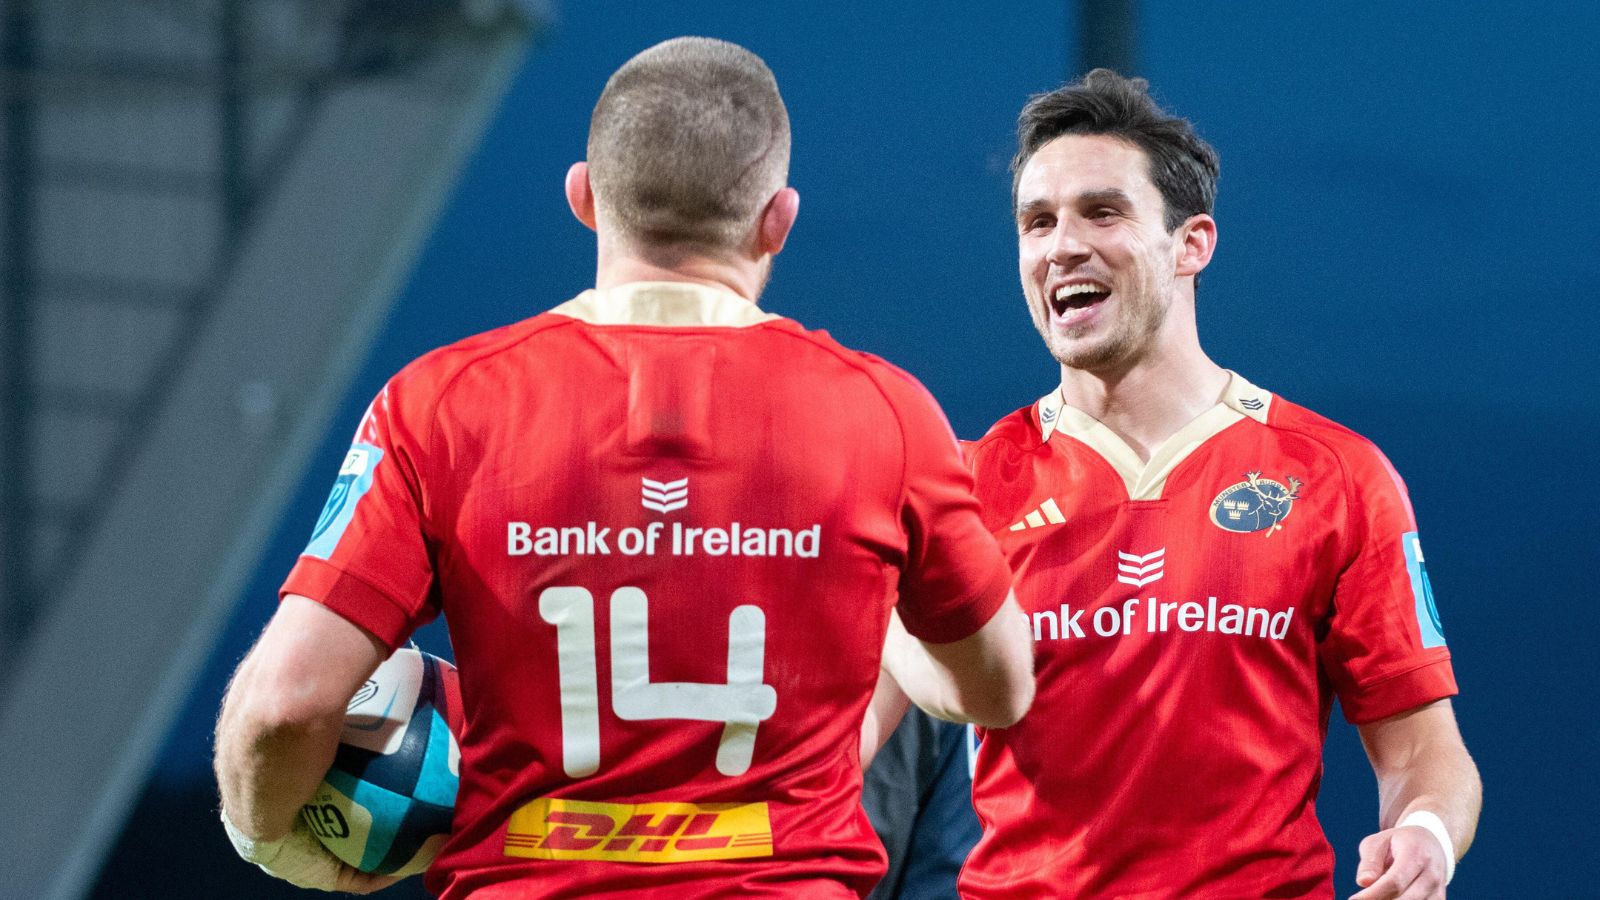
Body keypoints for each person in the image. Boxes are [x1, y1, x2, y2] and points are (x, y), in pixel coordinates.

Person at [213, 37, 1034, 898]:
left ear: (583, 198)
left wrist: (269, 837)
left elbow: (288, 704)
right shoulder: (887, 414)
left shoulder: (441, 405)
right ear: (779, 219)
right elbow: (1000, 687)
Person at [878, 69, 1481, 899]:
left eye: (1103, 212)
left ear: (1192, 243)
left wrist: (1424, 837)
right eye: (1037, 222)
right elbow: (839, 743)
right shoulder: (961, 483)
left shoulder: (1336, 475)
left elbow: (1422, 753)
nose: (1062, 246)